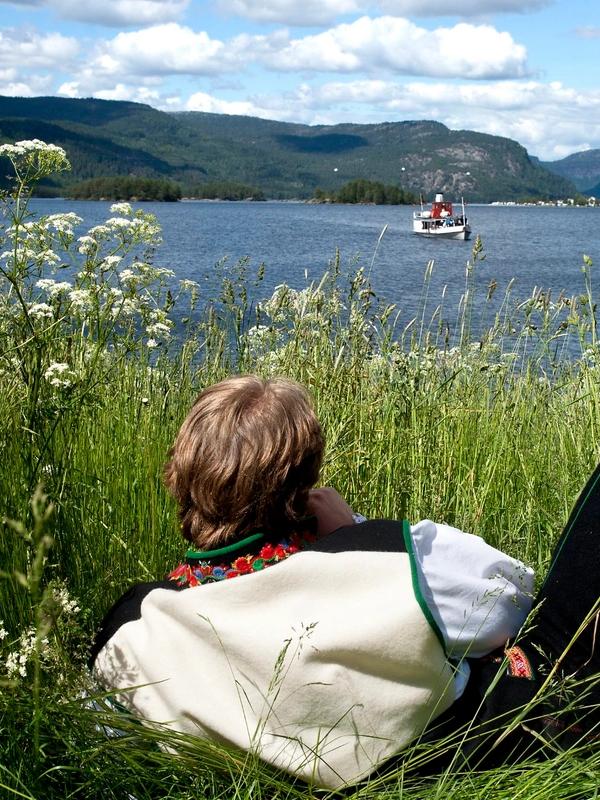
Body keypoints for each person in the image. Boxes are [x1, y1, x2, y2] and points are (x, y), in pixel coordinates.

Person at [90, 376, 599, 789]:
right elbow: (512, 598)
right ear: (304, 483)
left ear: (179, 478)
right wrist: (353, 528)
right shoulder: (381, 557)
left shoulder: (134, 624)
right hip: (475, 751)